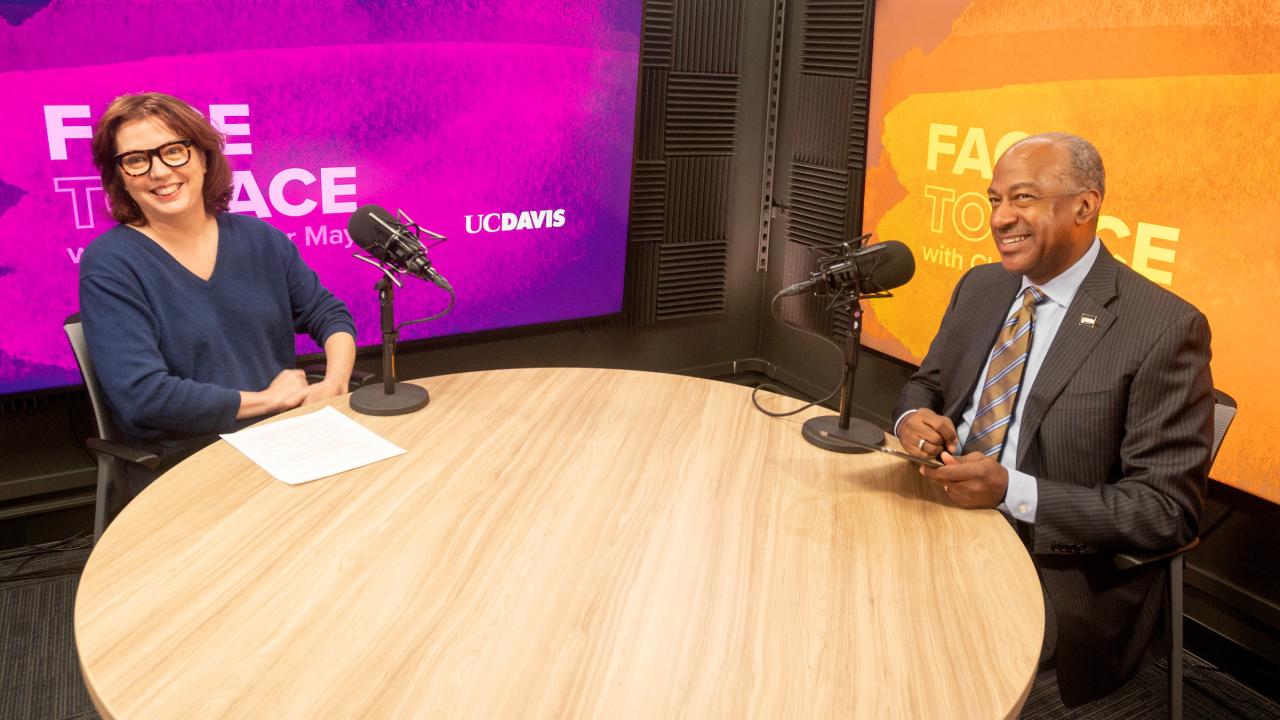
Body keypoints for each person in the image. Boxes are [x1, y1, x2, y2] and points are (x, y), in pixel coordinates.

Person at [893, 133, 1214, 706]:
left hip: (1049, 564)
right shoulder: (983, 285)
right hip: (937, 512)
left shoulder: (1163, 327)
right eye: (994, 199)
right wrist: (913, 418)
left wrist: (1013, 492)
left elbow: (1167, 513)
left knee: (912, 654)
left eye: (1022, 198)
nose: (1000, 218)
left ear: (1084, 207)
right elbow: (928, 383)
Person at [79, 92, 357, 493]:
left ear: (203, 156)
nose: (158, 171)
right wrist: (270, 400)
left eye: (174, 151)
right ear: (120, 176)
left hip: (286, 440)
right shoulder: (110, 263)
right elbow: (145, 398)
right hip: (188, 462)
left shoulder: (261, 239)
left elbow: (329, 314)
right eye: (137, 160)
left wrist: (334, 383)